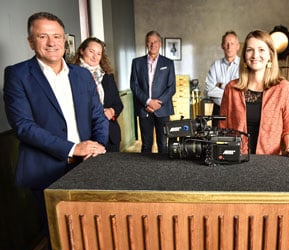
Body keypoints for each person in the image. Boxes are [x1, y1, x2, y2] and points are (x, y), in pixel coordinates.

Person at [3, 12, 108, 236]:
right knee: (59, 239)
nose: (52, 43)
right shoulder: (17, 75)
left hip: (88, 165)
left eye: (57, 37)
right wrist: (72, 148)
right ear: (31, 42)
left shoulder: (81, 75)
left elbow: (98, 116)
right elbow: (23, 126)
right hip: (46, 170)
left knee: (93, 233)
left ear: (64, 40)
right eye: (43, 36)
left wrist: (97, 145)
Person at [219, 30, 289, 158]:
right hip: (236, 160)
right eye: (250, 50)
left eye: (261, 50)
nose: (255, 55)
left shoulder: (284, 88)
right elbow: (223, 126)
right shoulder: (231, 88)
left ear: (270, 54)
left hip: (270, 162)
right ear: (244, 55)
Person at [71, 37, 124, 152]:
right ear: (82, 50)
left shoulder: (108, 76)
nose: (95, 57)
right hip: (84, 137)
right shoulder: (70, 75)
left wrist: (112, 111)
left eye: (99, 54)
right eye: (91, 51)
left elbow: (118, 104)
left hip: (110, 135)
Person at [130, 31, 176, 154]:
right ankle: (145, 172)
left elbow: (171, 88)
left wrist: (158, 103)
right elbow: (134, 85)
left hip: (163, 109)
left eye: (155, 42)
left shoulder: (168, 63)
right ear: (146, 44)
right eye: (150, 42)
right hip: (144, 108)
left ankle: (162, 172)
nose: (153, 44)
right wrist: (148, 102)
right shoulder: (137, 63)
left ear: (160, 44)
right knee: (146, 144)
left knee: (163, 144)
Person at [205, 30, 240, 128]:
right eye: (226, 43)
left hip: (237, 110)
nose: (229, 47)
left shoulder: (243, 67)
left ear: (238, 46)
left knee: (236, 140)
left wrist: (221, 85)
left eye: (232, 44)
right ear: (222, 46)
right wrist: (231, 91)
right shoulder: (215, 65)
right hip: (218, 110)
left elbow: (243, 90)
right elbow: (208, 90)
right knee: (216, 140)